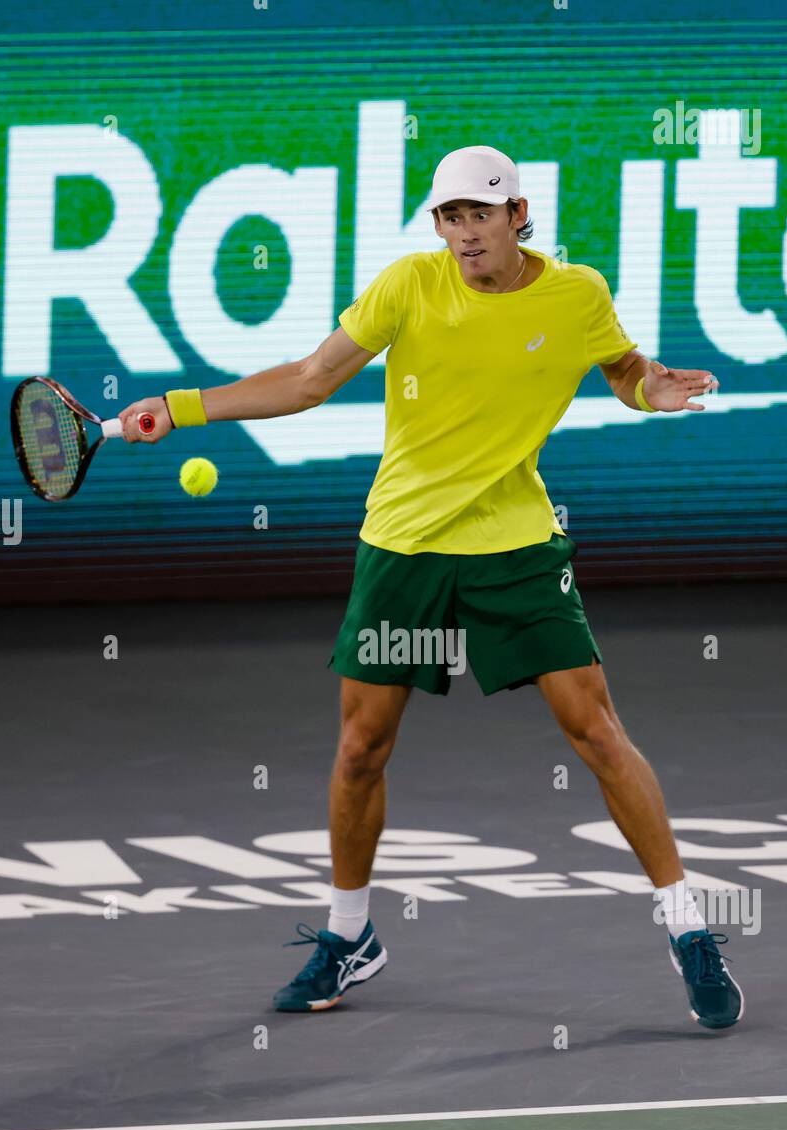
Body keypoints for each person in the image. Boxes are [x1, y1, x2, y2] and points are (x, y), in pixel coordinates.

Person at [120, 145, 743, 1030]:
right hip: (404, 547)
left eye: (478, 215)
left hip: (516, 548)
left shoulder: (576, 294)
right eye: (449, 217)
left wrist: (652, 388)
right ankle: (349, 936)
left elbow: (617, 366)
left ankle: (689, 929)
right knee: (362, 748)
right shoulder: (408, 285)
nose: (463, 234)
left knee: (597, 732)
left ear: (516, 214)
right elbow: (308, 380)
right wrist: (180, 408)